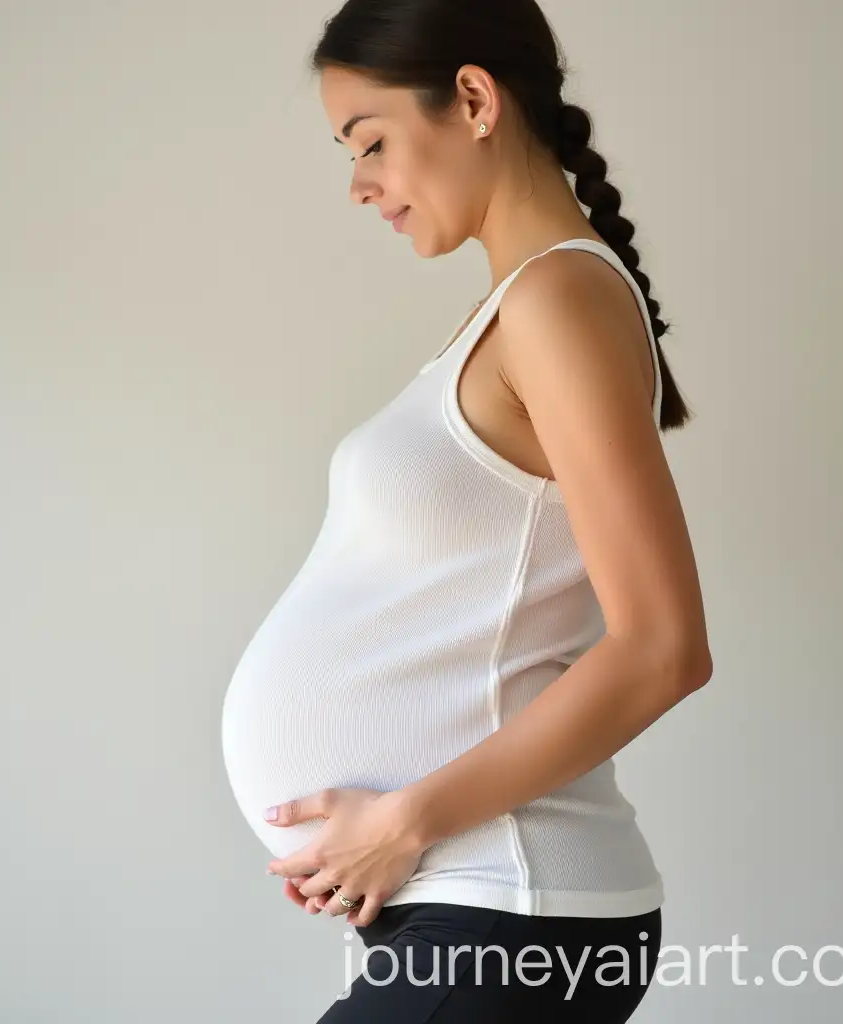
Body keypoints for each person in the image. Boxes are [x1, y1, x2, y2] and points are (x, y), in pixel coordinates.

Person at [220, 0, 713, 1019]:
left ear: (474, 100)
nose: (359, 184)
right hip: (479, 906)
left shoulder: (557, 300)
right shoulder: (519, 307)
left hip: (513, 908)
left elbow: (663, 646)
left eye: (371, 142)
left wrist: (402, 822)